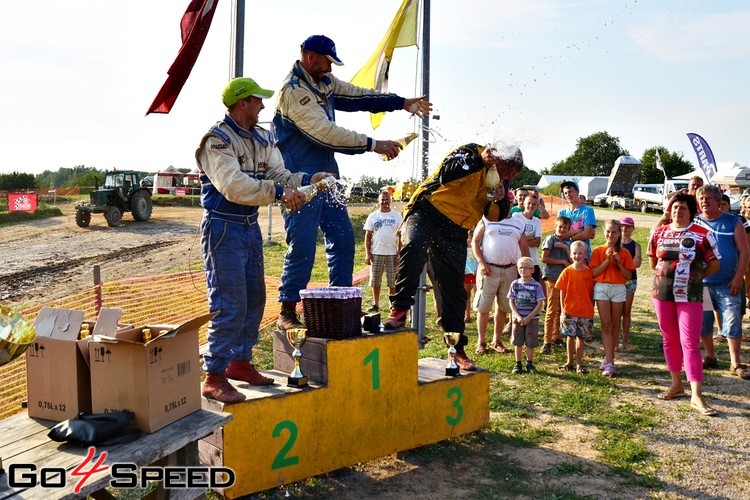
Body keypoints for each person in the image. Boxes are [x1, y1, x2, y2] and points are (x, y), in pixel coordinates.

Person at [273, 34, 432, 330]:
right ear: (311, 58)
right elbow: (326, 133)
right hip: (300, 179)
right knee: (303, 245)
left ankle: (339, 305)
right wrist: (374, 144)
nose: (330, 70)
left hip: (328, 176)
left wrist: (401, 102)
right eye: (326, 63)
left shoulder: (323, 83)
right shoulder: (293, 92)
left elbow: (360, 97)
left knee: (344, 240)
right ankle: (287, 311)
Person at [196, 77, 330, 403]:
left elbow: (280, 176)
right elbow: (234, 186)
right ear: (242, 103)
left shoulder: (262, 137)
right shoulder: (217, 140)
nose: (263, 106)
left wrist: (305, 181)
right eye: (258, 100)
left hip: (249, 226)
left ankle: (239, 362)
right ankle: (214, 375)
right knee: (229, 303)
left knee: (255, 299)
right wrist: (280, 193)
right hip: (222, 227)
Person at [382, 143, 524, 373]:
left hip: (456, 230)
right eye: (508, 171)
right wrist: (481, 162)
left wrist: (500, 201)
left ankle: (456, 348)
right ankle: (399, 310)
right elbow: (447, 173)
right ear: (499, 158)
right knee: (415, 247)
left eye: (513, 175)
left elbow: (495, 215)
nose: (508, 177)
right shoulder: (470, 152)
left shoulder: (501, 180)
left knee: (454, 291)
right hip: (426, 211)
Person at [648, 192, 720, 416]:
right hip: (662, 294)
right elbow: (653, 261)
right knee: (669, 339)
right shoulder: (659, 232)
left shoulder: (703, 234)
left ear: (692, 212)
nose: (678, 211)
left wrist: (695, 277)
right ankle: (676, 384)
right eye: (675, 207)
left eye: (683, 208)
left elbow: (714, 264)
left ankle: (696, 394)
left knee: (689, 341)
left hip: (691, 296)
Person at [694, 185, 750, 379]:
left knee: (733, 320)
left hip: (728, 283)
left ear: (719, 201)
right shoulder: (694, 223)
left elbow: (744, 252)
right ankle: (710, 356)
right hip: (702, 283)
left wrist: (738, 278)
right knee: (704, 322)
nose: (704, 201)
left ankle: (736, 363)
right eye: (701, 198)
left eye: (708, 198)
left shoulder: (734, 222)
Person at [472, 210, 530, 356]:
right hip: (488, 268)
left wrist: (528, 268)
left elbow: (524, 247)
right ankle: (481, 341)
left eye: (508, 201)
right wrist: (481, 262)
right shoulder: (486, 219)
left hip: (510, 269)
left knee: (504, 307)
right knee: (484, 306)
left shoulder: (518, 223)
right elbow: (475, 241)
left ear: (511, 203)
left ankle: (496, 340)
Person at [589, 219, 636, 377]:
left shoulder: (624, 253)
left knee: (616, 323)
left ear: (619, 234)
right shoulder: (598, 250)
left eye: (614, 232)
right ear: (604, 232)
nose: (610, 235)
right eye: (608, 231)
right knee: (606, 323)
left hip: (618, 289)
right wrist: (607, 260)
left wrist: (617, 263)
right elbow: (594, 273)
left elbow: (628, 275)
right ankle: (609, 360)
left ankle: (609, 358)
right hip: (602, 287)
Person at [556, 241, 595, 374]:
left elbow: (591, 293)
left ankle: (579, 362)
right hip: (569, 311)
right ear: (570, 255)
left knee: (581, 338)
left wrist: (591, 309)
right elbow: (562, 291)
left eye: (580, 253)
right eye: (574, 253)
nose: (577, 256)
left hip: (584, 311)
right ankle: (569, 361)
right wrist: (562, 310)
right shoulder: (567, 271)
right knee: (570, 337)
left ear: (585, 254)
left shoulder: (589, 273)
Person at [364, 190, 402, 313]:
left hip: (392, 253)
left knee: (392, 281)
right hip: (376, 252)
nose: (385, 202)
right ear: (379, 201)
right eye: (382, 200)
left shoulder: (397, 216)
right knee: (375, 280)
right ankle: (375, 303)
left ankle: (393, 303)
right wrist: (368, 253)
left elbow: (401, 235)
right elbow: (368, 236)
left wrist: (399, 252)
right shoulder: (373, 216)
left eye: (387, 200)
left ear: (390, 201)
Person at [540, 215, 572, 354]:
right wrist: (562, 262)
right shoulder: (550, 239)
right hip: (552, 277)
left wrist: (565, 248)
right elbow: (544, 258)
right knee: (551, 309)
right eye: (560, 227)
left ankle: (556, 336)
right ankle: (546, 341)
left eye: (565, 228)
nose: (562, 230)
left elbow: (572, 260)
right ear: (555, 227)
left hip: (564, 279)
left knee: (560, 308)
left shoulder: (568, 243)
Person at [508, 257, 545, 374]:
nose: (523, 270)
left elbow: (540, 303)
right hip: (517, 318)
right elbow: (511, 301)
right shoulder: (515, 284)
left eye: (526, 267)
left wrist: (529, 317)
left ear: (532, 270)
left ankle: (530, 363)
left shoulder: (536, 286)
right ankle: (518, 363)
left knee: (530, 341)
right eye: (520, 268)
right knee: (517, 341)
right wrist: (517, 316)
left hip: (532, 319)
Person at [619, 216, 642, 351]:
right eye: (622, 226)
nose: (625, 229)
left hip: (630, 280)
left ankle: (625, 340)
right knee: (615, 312)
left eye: (628, 226)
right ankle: (615, 340)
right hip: (616, 280)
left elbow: (637, 263)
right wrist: (629, 263)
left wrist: (621, 263)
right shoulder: (616, 244)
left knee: (626, 311)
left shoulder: (636, 245)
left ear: (632, 229)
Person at [558, 181, 597, 260]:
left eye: (570, 192)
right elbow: (559, 235)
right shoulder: (562, 213)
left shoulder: (587, 210)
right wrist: (576, 231)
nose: (568, 195)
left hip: (582, 256)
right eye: (565, 193)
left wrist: (569, 238)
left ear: (577, 192)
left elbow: (587, 234)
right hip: (564, 255)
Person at [513, 193, 543, 282]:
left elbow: (537, 242)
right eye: (529, 203)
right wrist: (530, 238)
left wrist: (522, 239)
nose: (531, 206)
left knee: (533, 288)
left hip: (533, 261)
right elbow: (515, 238)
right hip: (517, 261)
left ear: (537, 206)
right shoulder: (516, 216)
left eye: (534, 204)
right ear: (524, 204)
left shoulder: (537, 221)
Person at [464, 229, 479, 323]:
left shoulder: (478, 249)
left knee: (477, 294)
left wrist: (477, 270)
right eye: (469, 237)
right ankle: (467, 315)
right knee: (466, 295)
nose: (470, 239)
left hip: (475, 274)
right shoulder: (462, 249)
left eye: (472, 237)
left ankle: (479, 314)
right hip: (466, 274)